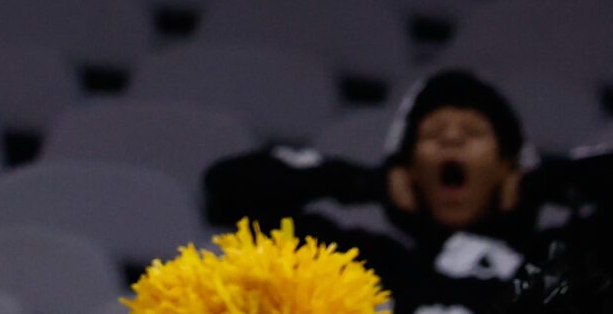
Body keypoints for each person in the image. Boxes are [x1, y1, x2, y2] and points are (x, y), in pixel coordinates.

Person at [206, 69, 613, 314]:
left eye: (473, 133)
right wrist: (362, 182)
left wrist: (547, 181)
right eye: (432, 134)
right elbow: (228, 191)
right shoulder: (371, 262)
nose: (451, 142)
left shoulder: (563, 260)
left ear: (508, 163)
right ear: (408, 170)